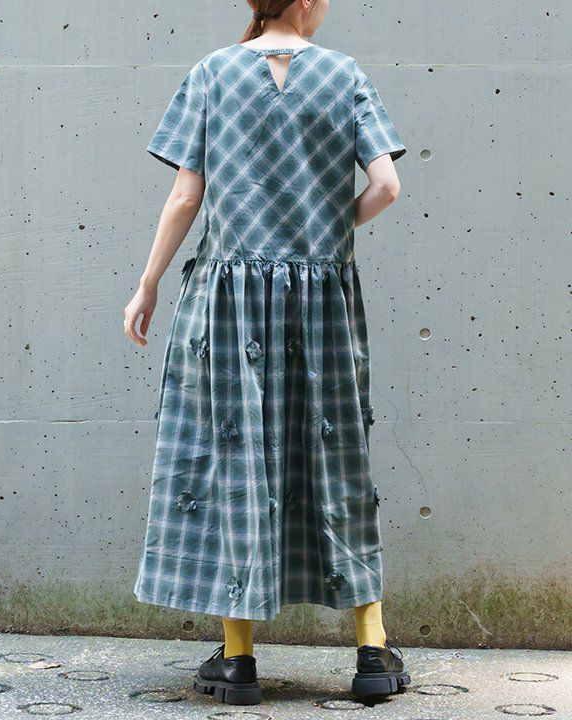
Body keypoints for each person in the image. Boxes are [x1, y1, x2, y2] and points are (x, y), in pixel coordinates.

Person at [125, 0, 410, 706]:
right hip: (321, 303)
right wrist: (327, 233)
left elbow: (185, 197)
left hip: (229, 302)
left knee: (236, 458)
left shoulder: (213, 73)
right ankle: (372, 653)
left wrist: (148, 283)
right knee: (337, 456)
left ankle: (239, 660)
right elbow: (387, 186)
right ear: (306, 1)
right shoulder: (344, 75)